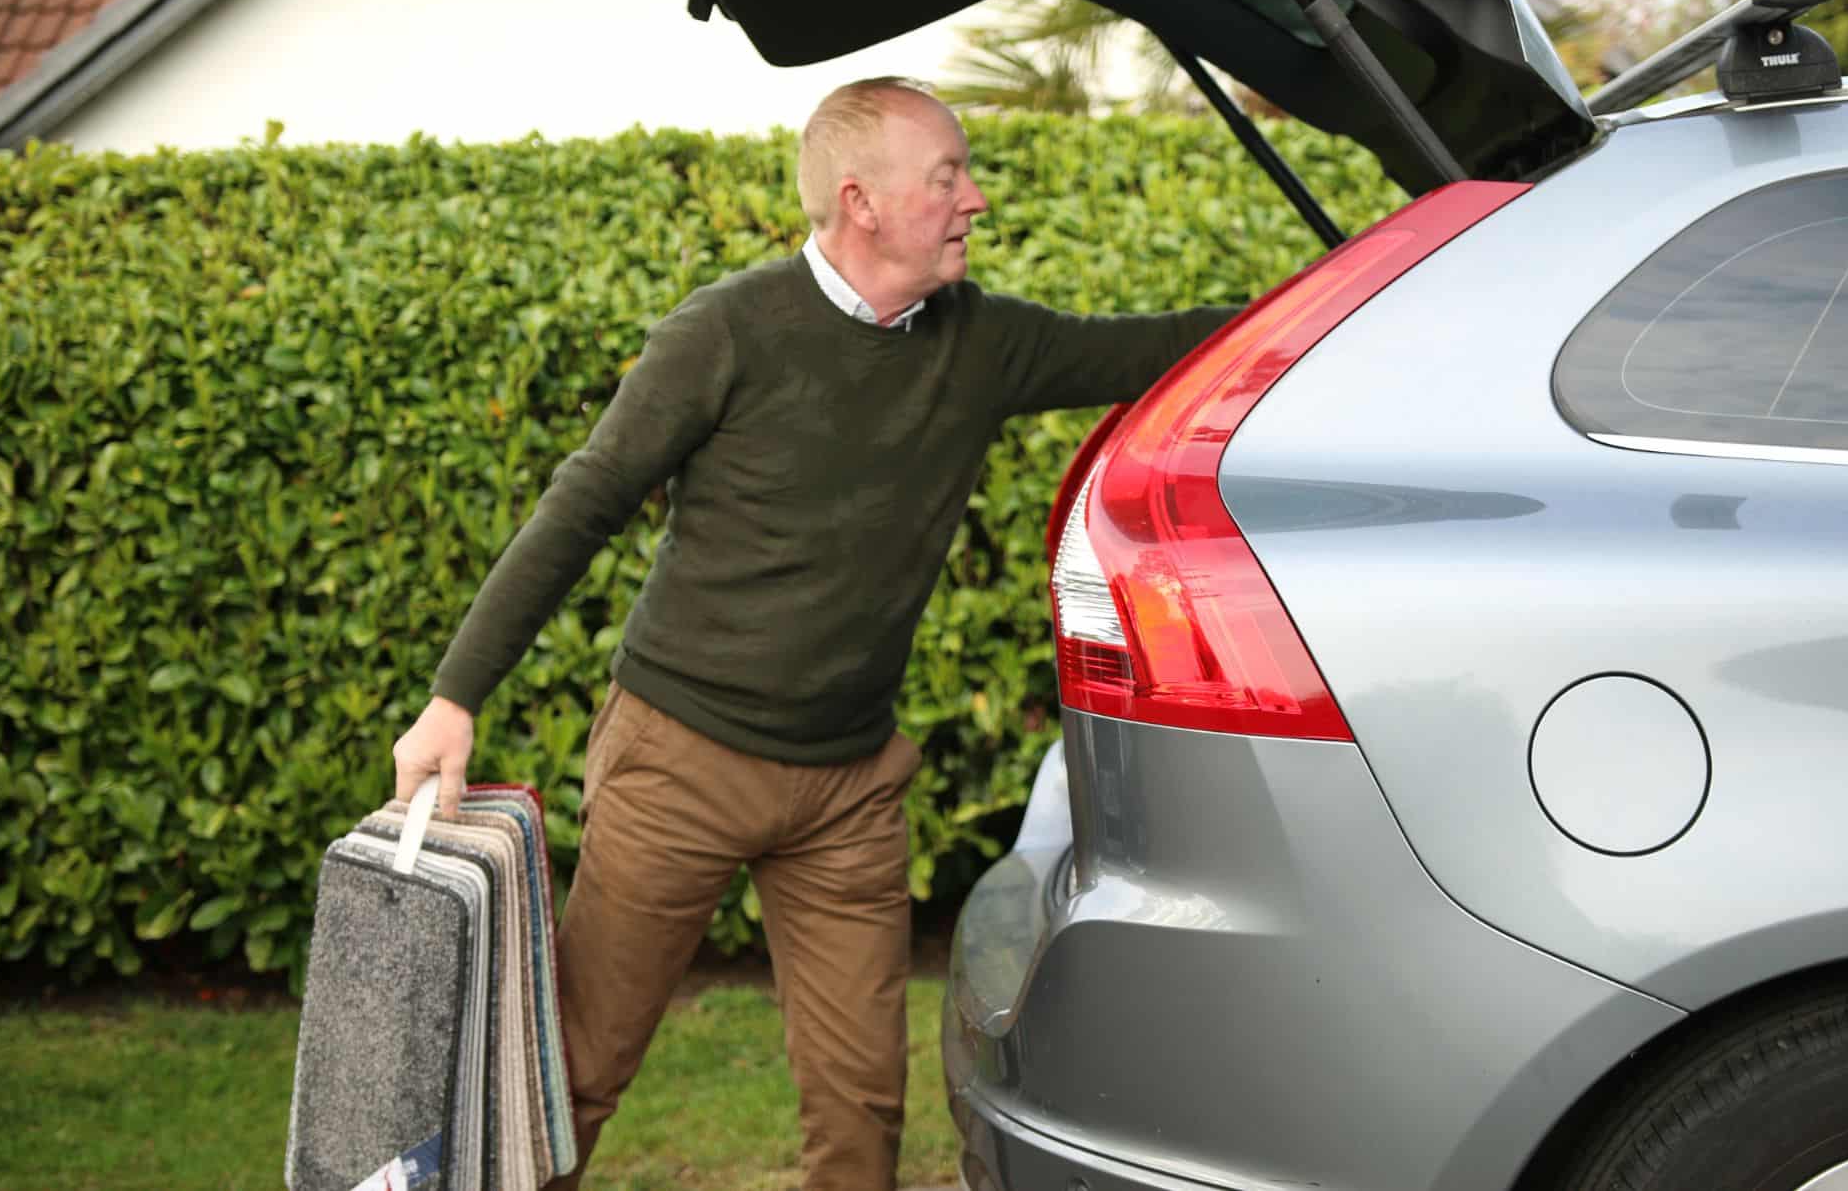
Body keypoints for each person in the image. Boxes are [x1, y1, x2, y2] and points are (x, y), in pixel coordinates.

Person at [390, 76, 1238, 1191]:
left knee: (859, 1109)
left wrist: (1355, 296)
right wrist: (455, 697)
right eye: (947, 177)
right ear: (863, 201)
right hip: (677, 763)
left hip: (845, 789)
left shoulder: (980, 344)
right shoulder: (726, 333)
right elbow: (580, 505)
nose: (973, 199)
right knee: (580, 1076)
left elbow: (1160, 349)